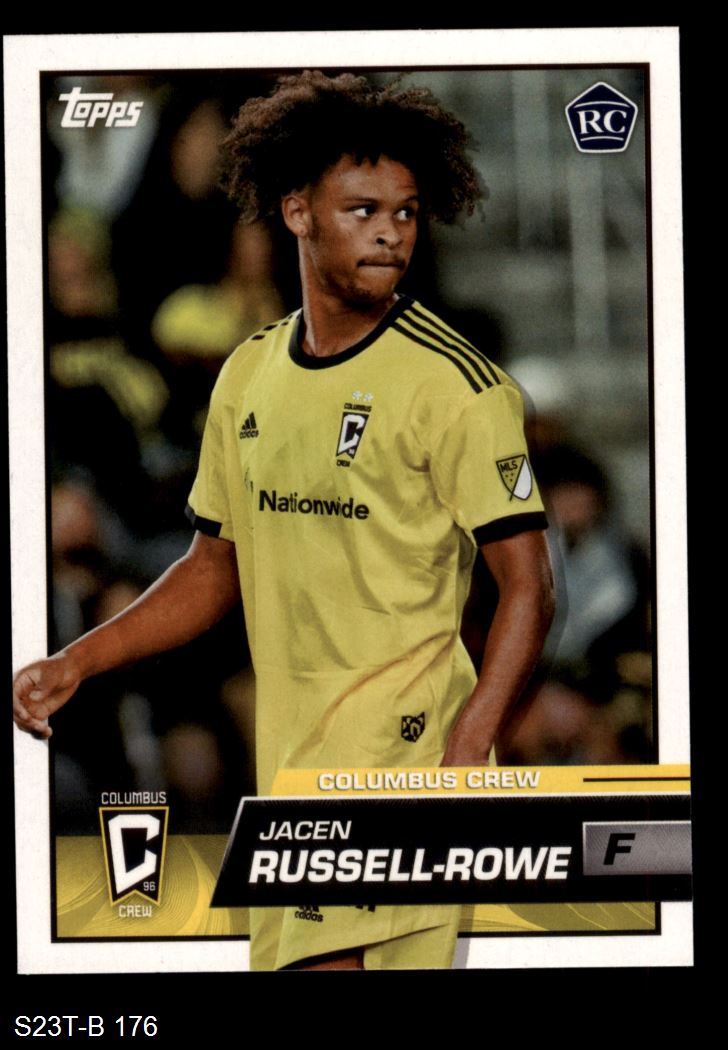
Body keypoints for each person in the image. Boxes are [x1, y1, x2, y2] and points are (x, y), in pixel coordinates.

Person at [13, 71, 555, 971]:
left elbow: (529, 588)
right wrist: (81, 659)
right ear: (297, 212)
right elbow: (211, 567)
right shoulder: (249, 374)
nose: (391, 231)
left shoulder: (457, 386)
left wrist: (469, 746)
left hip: (406, 761)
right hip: (294, 771)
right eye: (363, 210)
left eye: (406, 212)